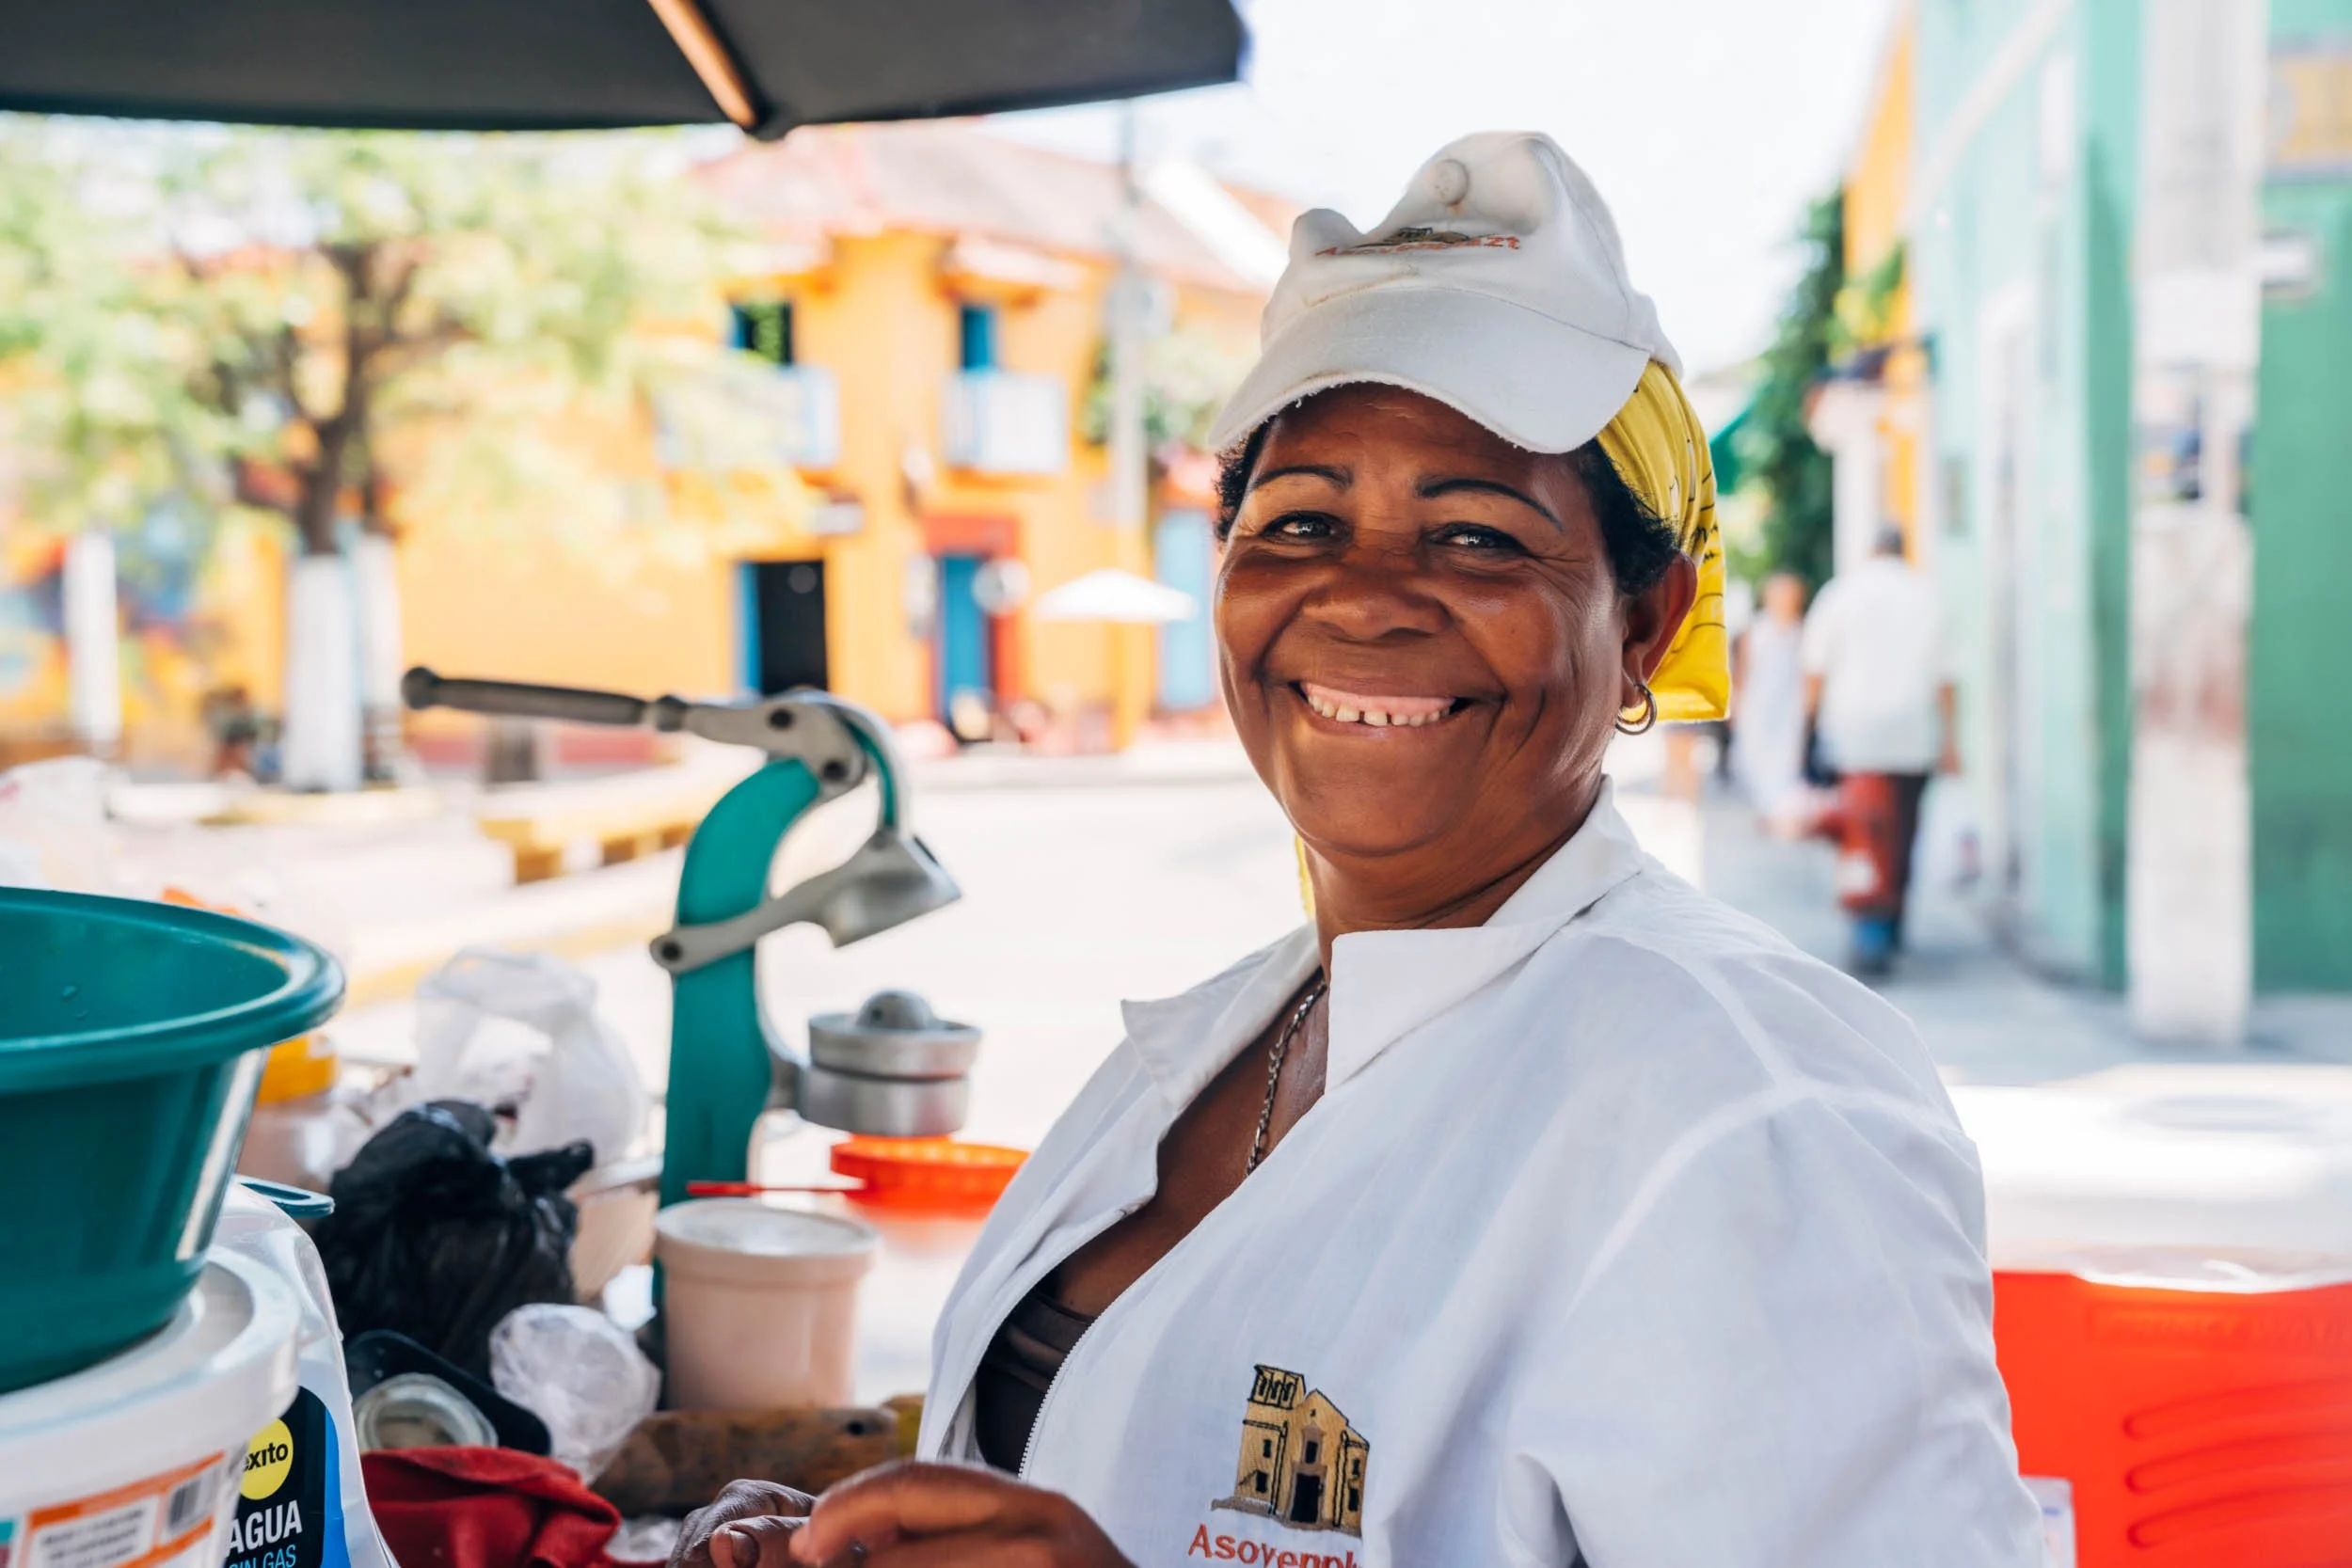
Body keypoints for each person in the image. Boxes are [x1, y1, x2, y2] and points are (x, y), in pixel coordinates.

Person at [672, 134, 2040, 1568]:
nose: (1366, 596)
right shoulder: (1218, 1040)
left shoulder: (1754, 1108)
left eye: (1479, 538)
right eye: (1301, 521)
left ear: (1642, 620)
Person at [1801, 526, 1960, 967]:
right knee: (1903, 831)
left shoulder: (1840, 595)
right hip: (1913, 736)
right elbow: (1945, 680)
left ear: (1870, 551)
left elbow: (1814, 671)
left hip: (1854, 737)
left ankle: (1869, 920)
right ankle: (1890, 920)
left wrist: (1807, 730)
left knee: (1862, 831)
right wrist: (1952, 743)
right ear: (1904, 551)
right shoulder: (1927, 596)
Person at [1730, 571, 1811, 826]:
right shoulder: (1755, 630)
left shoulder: (1802, 631)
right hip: (1758, 705)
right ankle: (1767, 810)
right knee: (1754, 758)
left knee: (1786, 760)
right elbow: (1742, 670)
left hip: (1789, 708)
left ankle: (1777, 813)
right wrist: (1736, 703)